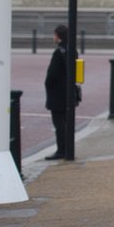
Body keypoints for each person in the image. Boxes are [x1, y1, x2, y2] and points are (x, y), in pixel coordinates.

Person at [44, 24, 77, 160]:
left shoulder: (59, 52)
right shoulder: (72, 50)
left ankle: (61, 150)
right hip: (68, 91)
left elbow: (52, 75)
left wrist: (48, 85)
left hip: (57, 93)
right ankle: (67, 148)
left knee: (59, 123)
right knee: (66, 122)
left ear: (58, 36)